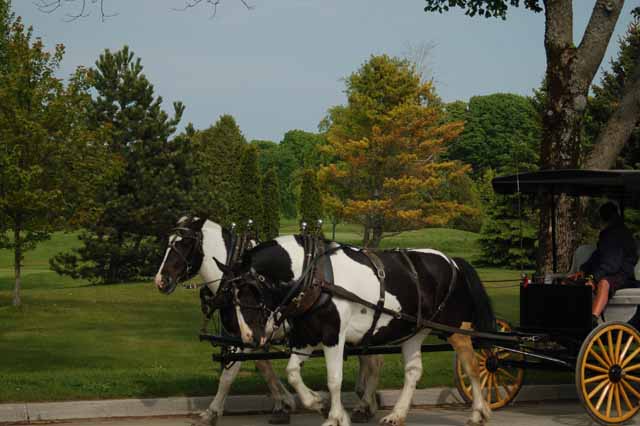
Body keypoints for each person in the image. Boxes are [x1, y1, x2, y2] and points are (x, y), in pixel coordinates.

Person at [568, 201, 638, 325]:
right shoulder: (606, 235)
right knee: (574, 282)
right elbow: (597, 256)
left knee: (604, 283)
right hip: (608, 270)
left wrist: (593, 278)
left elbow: (612, 264)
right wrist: (582, 271)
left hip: (622, 274)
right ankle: (572, 317)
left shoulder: (621, 234)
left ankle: (592, 319)